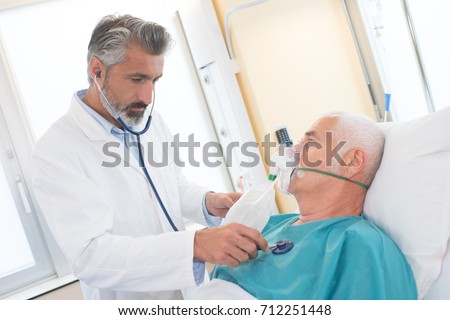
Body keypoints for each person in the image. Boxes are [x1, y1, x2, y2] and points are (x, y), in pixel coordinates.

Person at [31, 14, 268, 300]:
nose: (147, 96)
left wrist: (208, 203)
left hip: (192, 295)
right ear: (97, 70)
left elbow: (171, 185)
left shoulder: (148, 122)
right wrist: (195, 245)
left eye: (154, 80)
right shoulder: (56, 151)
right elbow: (91, 255)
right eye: (137, 79)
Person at [196, 112, 418, 299]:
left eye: (310, 143)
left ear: (352, 162)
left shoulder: (360, 245)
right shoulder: (269, 224)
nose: (291, 153)